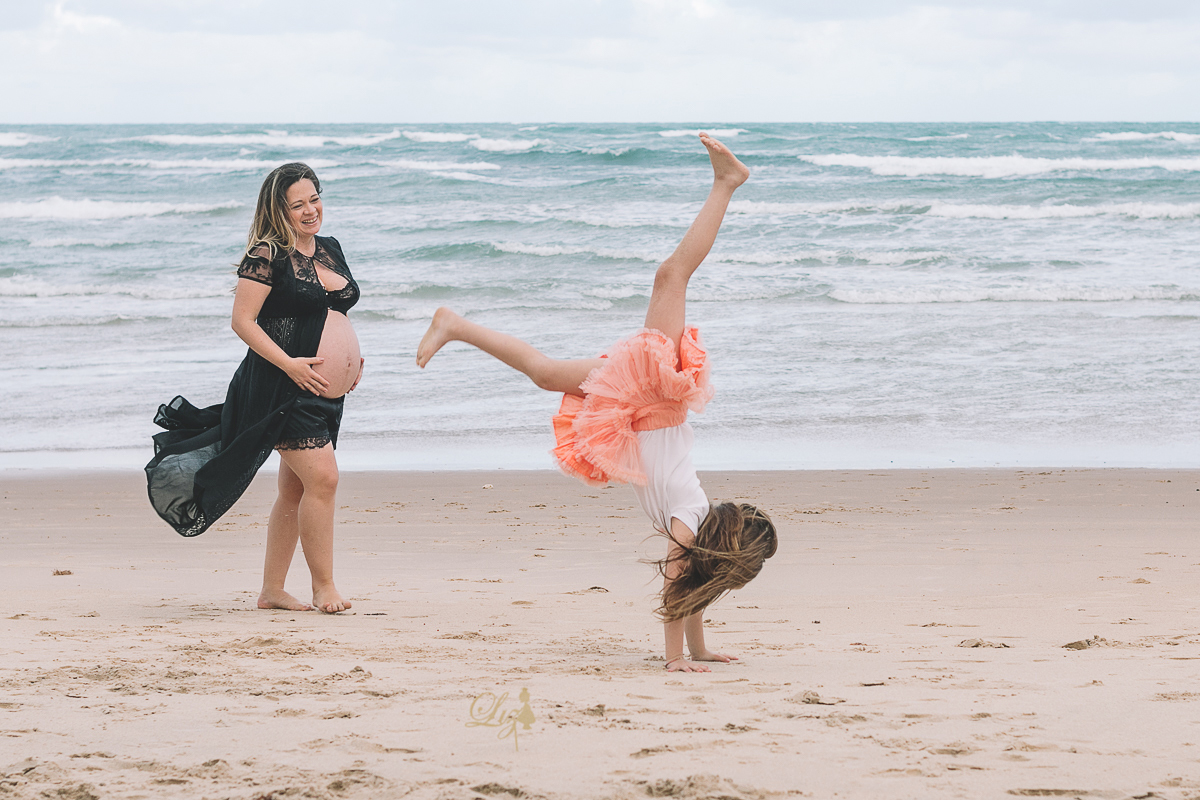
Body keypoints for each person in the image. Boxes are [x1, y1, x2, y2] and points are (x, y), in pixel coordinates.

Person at [416, 134, 777, 671]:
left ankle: (455, 324)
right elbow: (677, 581)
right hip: (654, 396)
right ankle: (727, 182)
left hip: (643, 408)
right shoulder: (688, 517)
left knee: (544, 373)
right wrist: (675, 659)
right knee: (671, 274)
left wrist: (700, 651)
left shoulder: (693, 524)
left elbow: (690, 586)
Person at [146, 162, 363, 614]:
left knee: (296, 489)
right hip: (280, 385)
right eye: (297, 205)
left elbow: (331, 313)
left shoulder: (330, 248)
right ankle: (324, 586)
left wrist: (352, 360)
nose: (310, 211)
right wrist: (289, 365)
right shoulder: (266, 254)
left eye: (314, 199)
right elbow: (242, 321)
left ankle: (272, 591)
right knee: (324, 478)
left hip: (325, 391)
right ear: (277, 210)